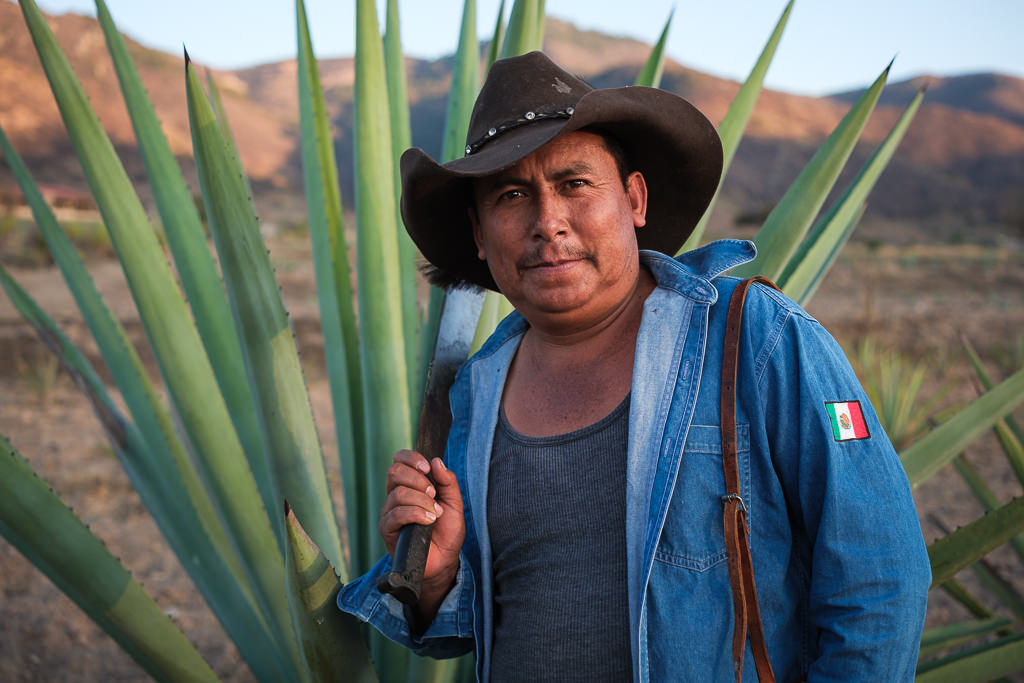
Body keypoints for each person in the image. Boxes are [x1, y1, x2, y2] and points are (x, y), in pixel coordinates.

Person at [339, 51, 931, 682]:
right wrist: (439, 578)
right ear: (481, 236)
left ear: (634, 198)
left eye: (574, 184)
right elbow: (484, 618)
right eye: (512, 195)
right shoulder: (477, 390)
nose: (548, 223)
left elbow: (880, 582)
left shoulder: (757, 340)